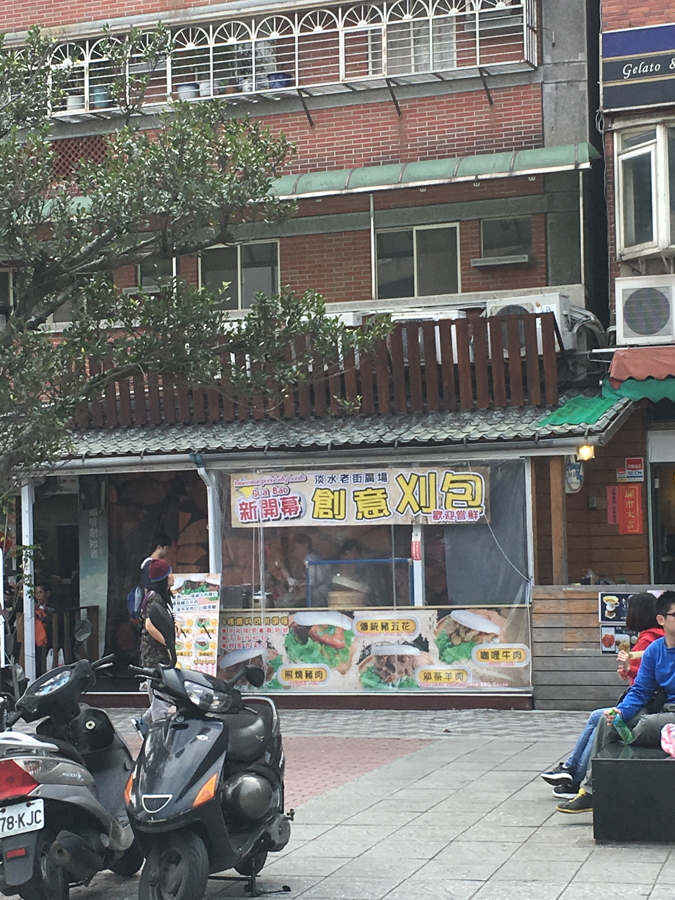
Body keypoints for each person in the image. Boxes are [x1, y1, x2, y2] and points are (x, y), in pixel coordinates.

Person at [557, 590, 675, 814]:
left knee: (646, 725)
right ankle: (591, 791)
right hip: (661, 710)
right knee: (607, 720)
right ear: (661, 619)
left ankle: (627, 743)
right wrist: (620, 712)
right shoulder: (654, 650)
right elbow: (640, 690)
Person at [132, 558, 175, 738]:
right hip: (154, 657)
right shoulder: (155, 598)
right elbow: (149, 626)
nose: (173, 576)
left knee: (164, 697)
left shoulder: (159, 596)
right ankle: (158, 736)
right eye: (170, 573)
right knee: (160, 701)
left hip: (160, 657)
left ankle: (143, 723)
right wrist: (167, 642)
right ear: (163, 578)